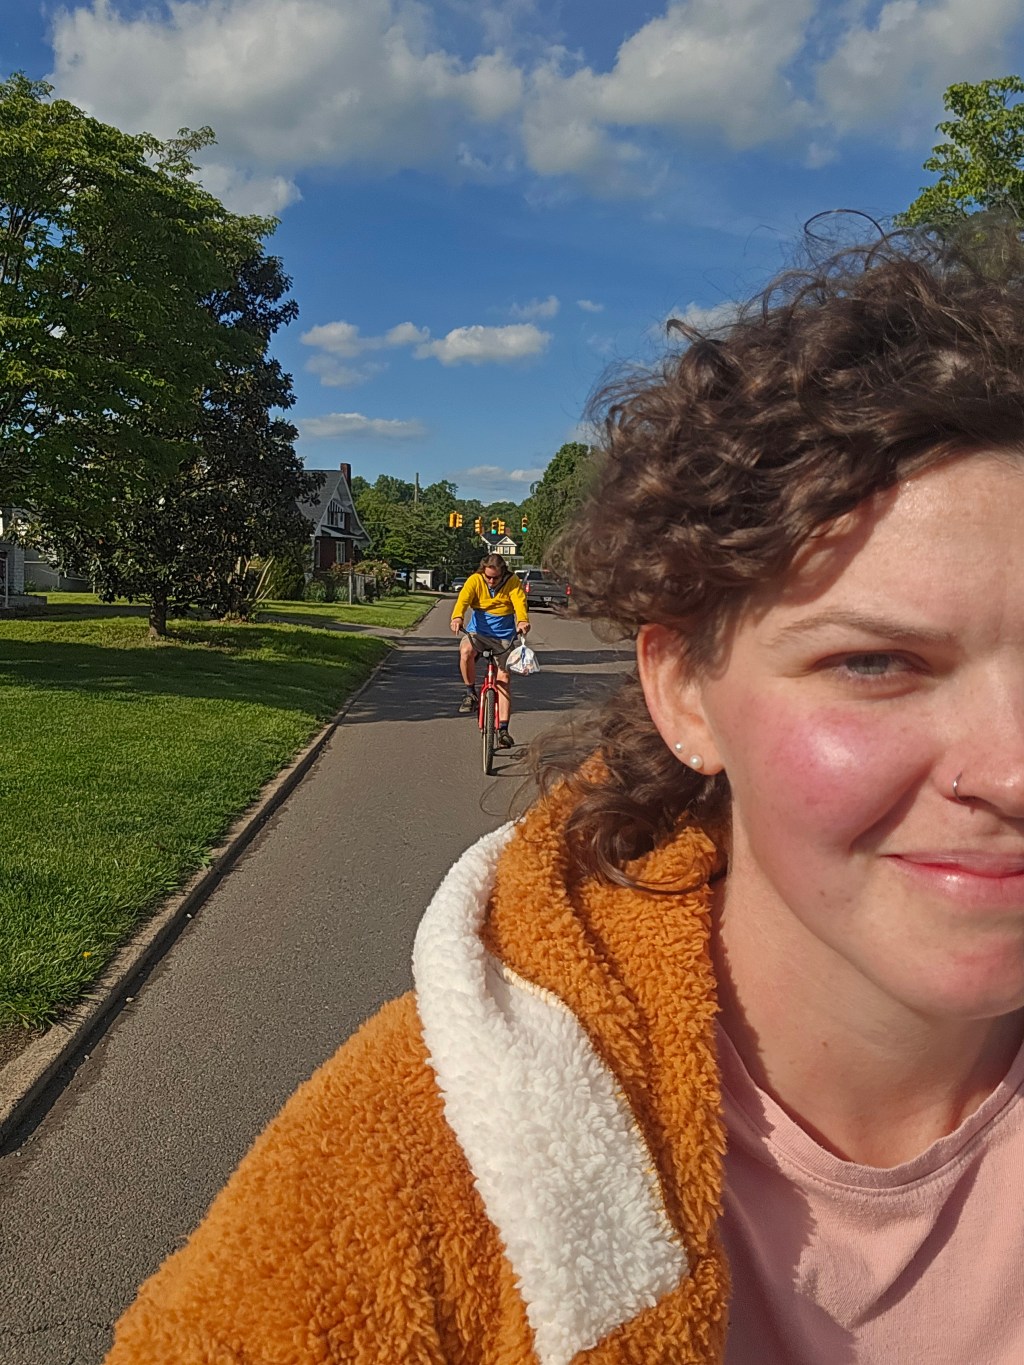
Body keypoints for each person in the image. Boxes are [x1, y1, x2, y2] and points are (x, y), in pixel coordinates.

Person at [105, 231, 1024, 1364]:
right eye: (875, 662)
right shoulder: (411, 1164)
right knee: (477, 663)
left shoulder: (513, 591)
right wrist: (474, 647)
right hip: (479, 640)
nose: (1010, 769)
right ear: (683, 691)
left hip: (513, 637)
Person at [449, 552, 530, 748]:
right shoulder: (475, 580)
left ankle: (503, 730)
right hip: (478, 633)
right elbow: (463, 600)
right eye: (488, 577)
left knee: (504, 679)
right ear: (482, 572)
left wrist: (522, 620)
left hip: (504, 637)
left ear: (503, 573)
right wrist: (457, 617)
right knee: (466, 651)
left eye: (496, 578)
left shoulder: (512, 582)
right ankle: (470, 693)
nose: (492, 581)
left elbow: (519, 603)